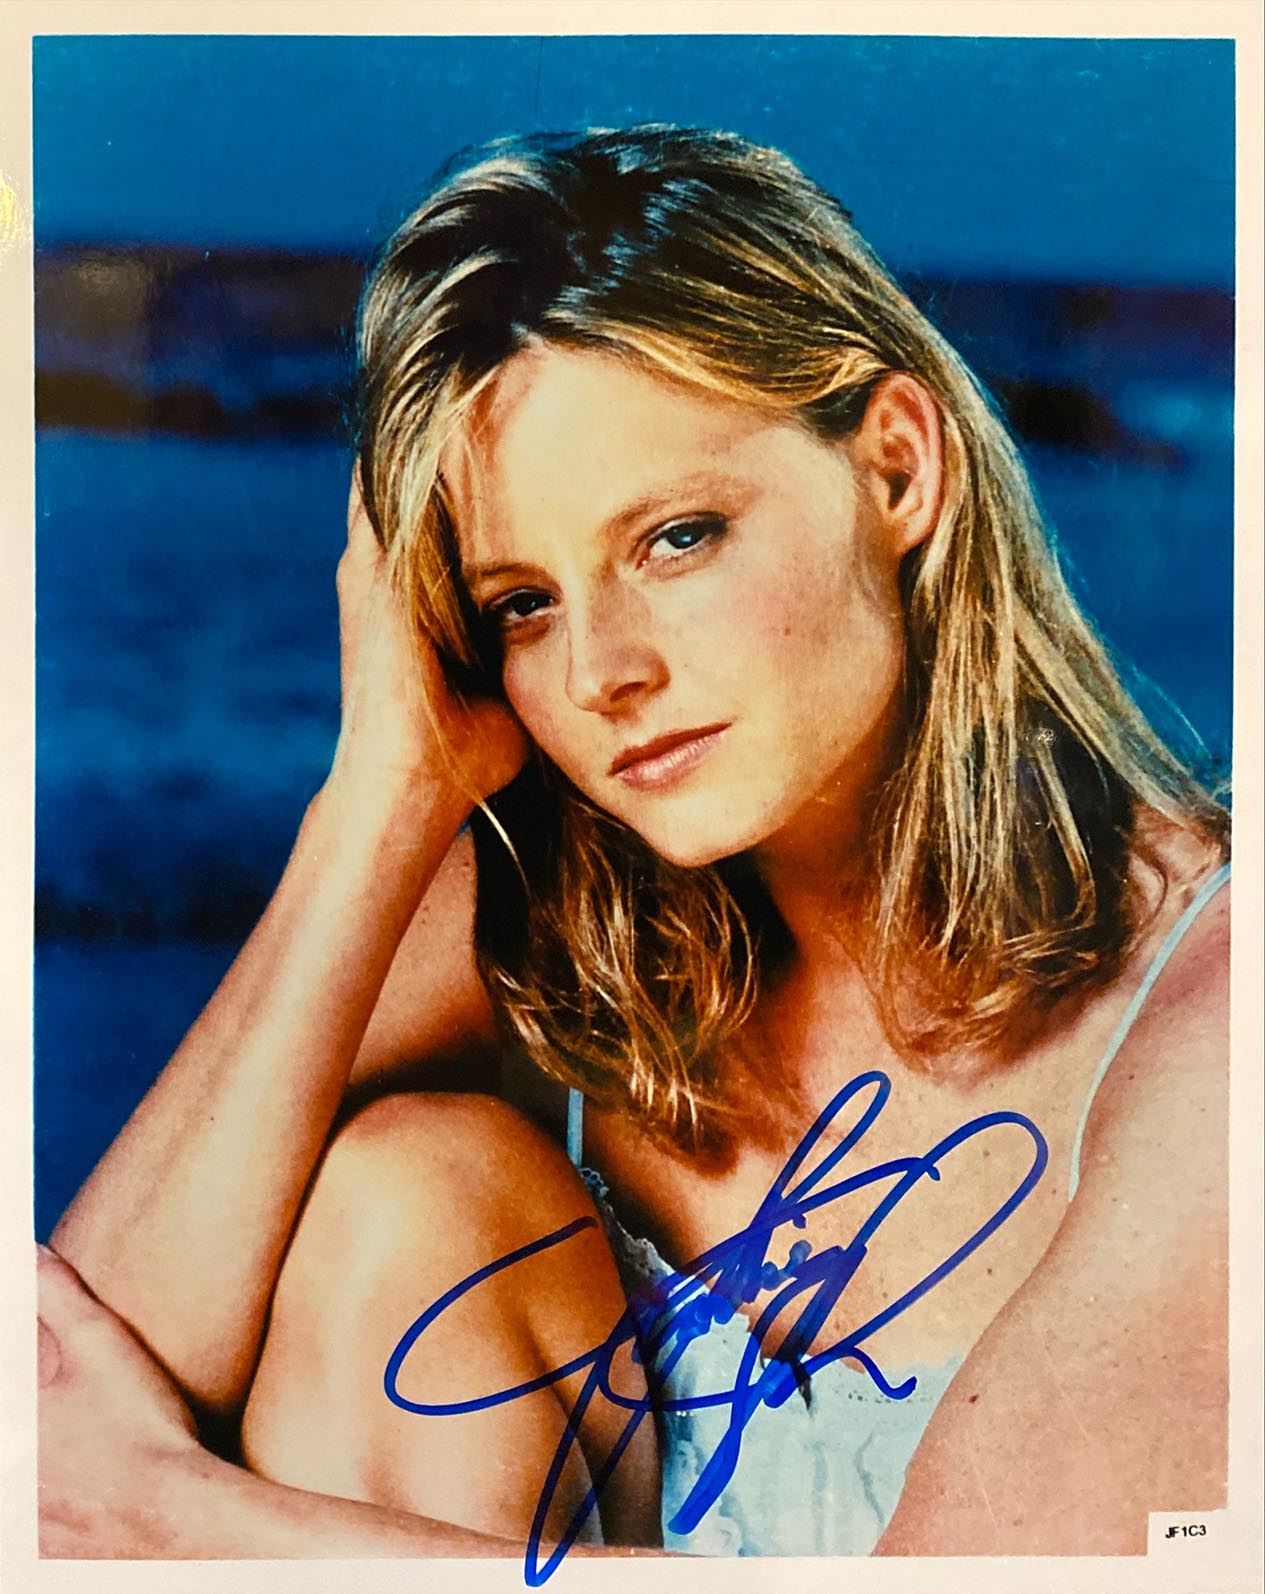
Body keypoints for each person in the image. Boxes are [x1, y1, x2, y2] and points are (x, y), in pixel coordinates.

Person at [38, 126, 1231, 1564]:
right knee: (398, 1191)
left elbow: (115, 1497)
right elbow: (57, 1436)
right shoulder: (532, 922)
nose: (602, 671)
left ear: (897, 470)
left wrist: (182, 1519)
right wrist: (378, 799)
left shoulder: (1218, 1002)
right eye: (523, 602)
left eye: (675, 537)